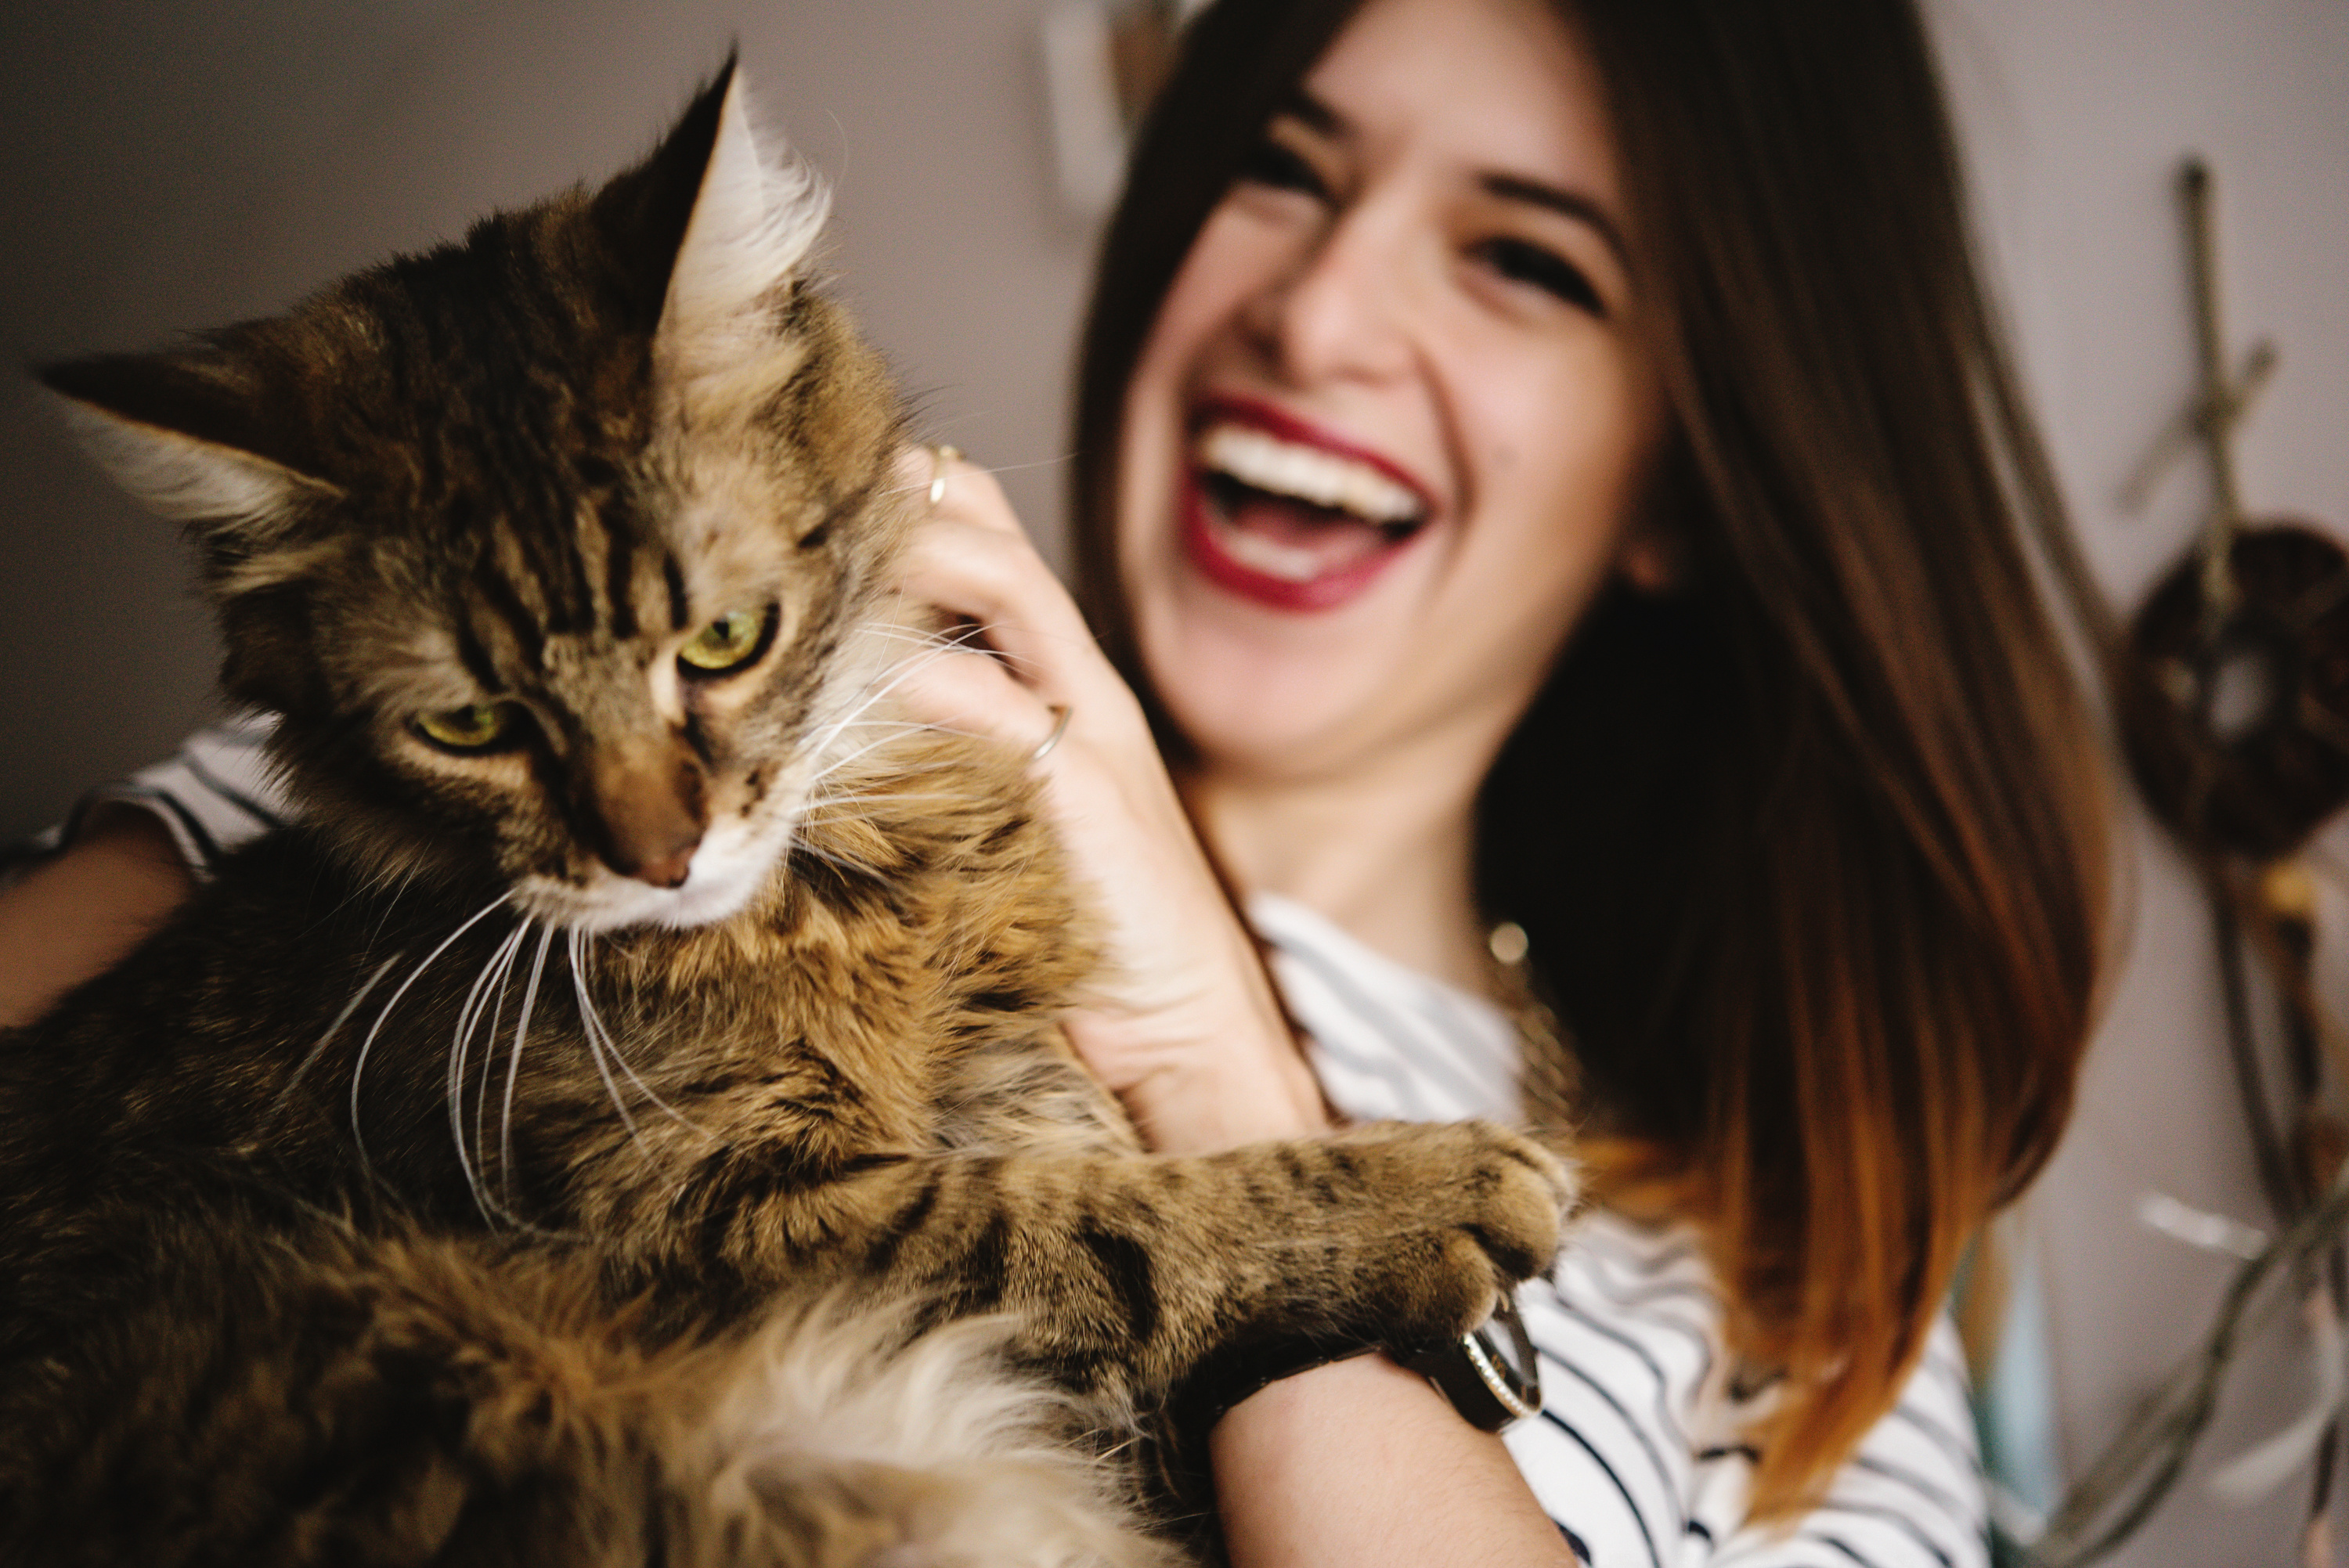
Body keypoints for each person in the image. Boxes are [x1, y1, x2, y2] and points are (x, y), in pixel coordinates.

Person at [0, 0, 2107, 1562]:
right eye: (1285, 164)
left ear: (1700, 472)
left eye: (1526, 259)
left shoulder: (1805, 1308)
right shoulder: (449, 831)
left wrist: (1213, 1053)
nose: (1318, 311)